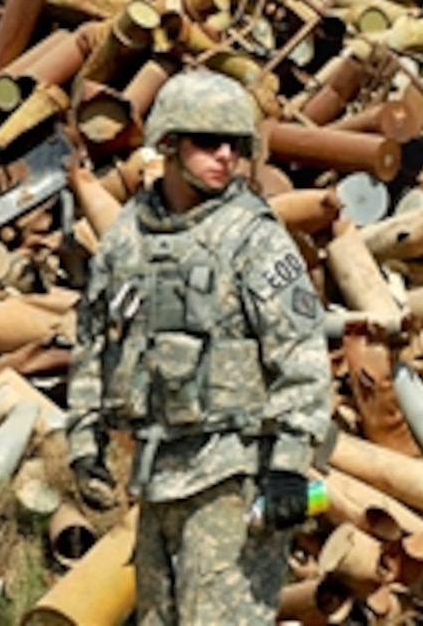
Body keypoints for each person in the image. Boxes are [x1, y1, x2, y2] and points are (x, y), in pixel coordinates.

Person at [65, 68, 333, 624]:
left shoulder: (256, 238)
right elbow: (96, 339)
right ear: (168, 143)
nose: (224, 157)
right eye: (207, 142)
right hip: (158, 474)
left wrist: (288, 463)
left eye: (235, 145)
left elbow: (302, 355)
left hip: (233, 476)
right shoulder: (127, 237)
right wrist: (83, 439)